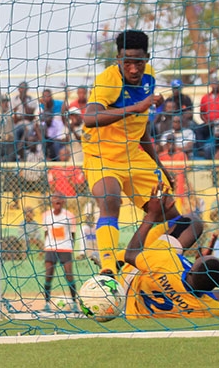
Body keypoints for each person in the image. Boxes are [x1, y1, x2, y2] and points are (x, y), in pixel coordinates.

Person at [82, 30, 179, 277]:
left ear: (147, 58)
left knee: (174, 216)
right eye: (127, 62)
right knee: (110, 200)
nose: (133, 69)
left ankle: (128, 259)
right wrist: (137, 106)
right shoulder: (108, 80)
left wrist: (162, 167)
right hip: (101, 156)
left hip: (133, 156)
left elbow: (142, 129)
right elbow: (90, 117)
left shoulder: (150, 77)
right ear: (118, 59)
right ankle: (107, 271)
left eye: (139, 62)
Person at [121, 191, 219, 318]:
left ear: (191, 269)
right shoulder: (205, 309)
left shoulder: (165, 261)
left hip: (130, 281)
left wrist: (151, 216)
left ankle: (114, 259)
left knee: (193, 222)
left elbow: (130, 255)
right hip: (133, 312)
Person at [40, 194, 78, 311]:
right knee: (48, 275)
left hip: (65, 248)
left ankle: (74, 302)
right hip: (51, 249)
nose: (57, 201)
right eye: (55, 198)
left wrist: (71, 247)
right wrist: (46, 245)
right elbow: (46, 232)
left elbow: (73, 233)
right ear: (51, 201)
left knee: (69, 275)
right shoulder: (46, 215)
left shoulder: (69, 216)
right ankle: (46, 303)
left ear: (63, 202)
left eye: (60, 199)